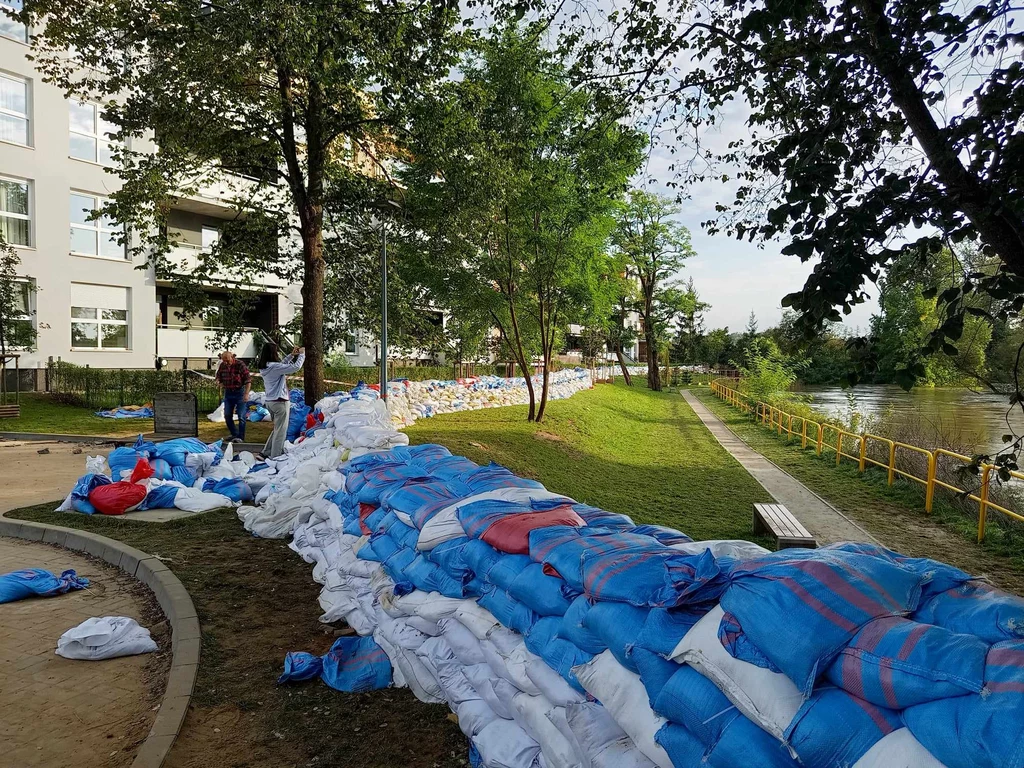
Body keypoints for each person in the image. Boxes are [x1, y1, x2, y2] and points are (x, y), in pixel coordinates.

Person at [258, 342, 305, 458]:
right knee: (281, 433)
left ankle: (265, 453)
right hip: (280, 402)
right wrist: (302, 355)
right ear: (273, 353)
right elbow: (296, 367)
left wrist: (291, 355)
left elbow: (280, 365)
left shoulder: (266, 367)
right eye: (276, 351)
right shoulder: (274, 367)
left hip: (270, 402)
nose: (278, 353)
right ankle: (276, 457)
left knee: (277, 429)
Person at [215, 350, 251, 443]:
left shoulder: (240, 364)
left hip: (240, 392)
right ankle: (234, 434)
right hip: (228, 393)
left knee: (241, 416)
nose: (226, 363)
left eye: (227, 360)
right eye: (224, 360)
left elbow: (248, 380)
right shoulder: (223, 365)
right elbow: (218, 376)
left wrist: (246, 394)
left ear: (232, 357)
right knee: (227, 415)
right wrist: (218, 382)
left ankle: (241, 437)